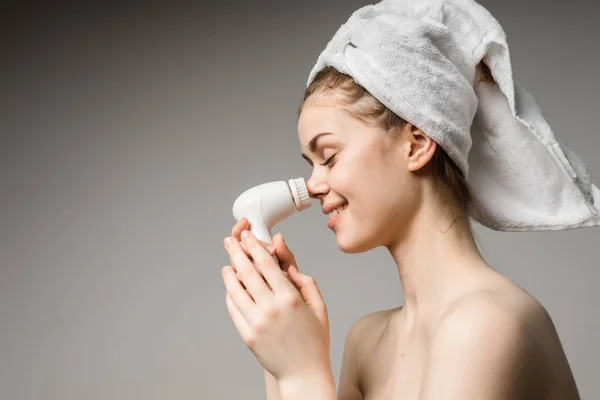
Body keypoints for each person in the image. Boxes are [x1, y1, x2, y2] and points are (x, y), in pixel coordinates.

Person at [222, 0, 596, 398]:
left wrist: (302, 372)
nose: (313, 185)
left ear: (416, 145)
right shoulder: (367, 343)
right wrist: (279, 357)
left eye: (329, 157)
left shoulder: (488, 323)